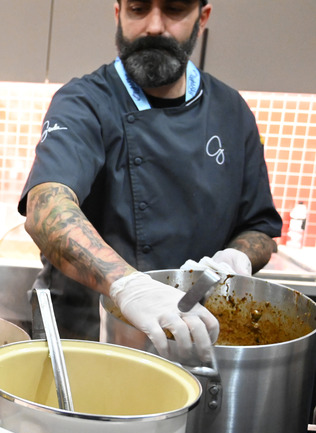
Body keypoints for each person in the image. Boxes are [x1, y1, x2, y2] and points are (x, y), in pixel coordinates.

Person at [19, 0, 282, 362]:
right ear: (118, 14)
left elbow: (259, 229)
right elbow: (46, 207)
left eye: (174, 9)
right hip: (85, 344)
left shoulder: (231, 110)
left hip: (190, 340)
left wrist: (235, 259)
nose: (154, 26)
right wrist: (127, 286)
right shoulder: (85, 101)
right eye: (138, 8)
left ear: (202, 19)